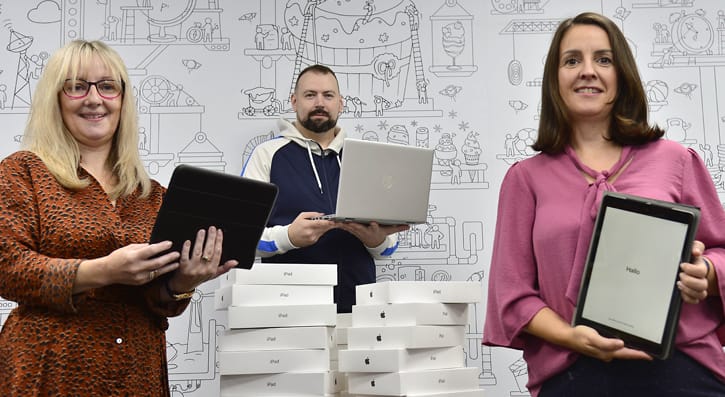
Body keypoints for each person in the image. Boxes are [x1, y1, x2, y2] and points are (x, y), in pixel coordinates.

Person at [483, 12, 725, 397]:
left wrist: (708, 273)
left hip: (682, 368)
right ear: (554, 80)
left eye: (604, 59)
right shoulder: (525, 179)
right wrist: (572, 337)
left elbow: (720, 249)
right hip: (574, 373)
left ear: (622, 74)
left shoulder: (677, 160)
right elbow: (512, 295)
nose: (588, 71)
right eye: (572, 60)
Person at [0, 40, 237, 396]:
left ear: (123, 100)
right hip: (51, 370)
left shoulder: (151, 194)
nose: (94, 99)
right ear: (56, 98)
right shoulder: (23, 172)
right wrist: (103, 271)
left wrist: (182, 282)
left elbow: (160, 301)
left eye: (107, 86)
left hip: (137, 373)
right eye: (77, 86)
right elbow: (7, 268)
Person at [242, 64, 408, 313]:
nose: (320, 102)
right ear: (294, 102)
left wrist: (376, 240)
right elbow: (242, 238)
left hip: (359, 307)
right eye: (310, 95)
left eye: (328, 95)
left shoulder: (365, 158)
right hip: (288, 308)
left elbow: (388, 248)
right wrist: (288, 238)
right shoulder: (267, 155)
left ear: (341, 103)